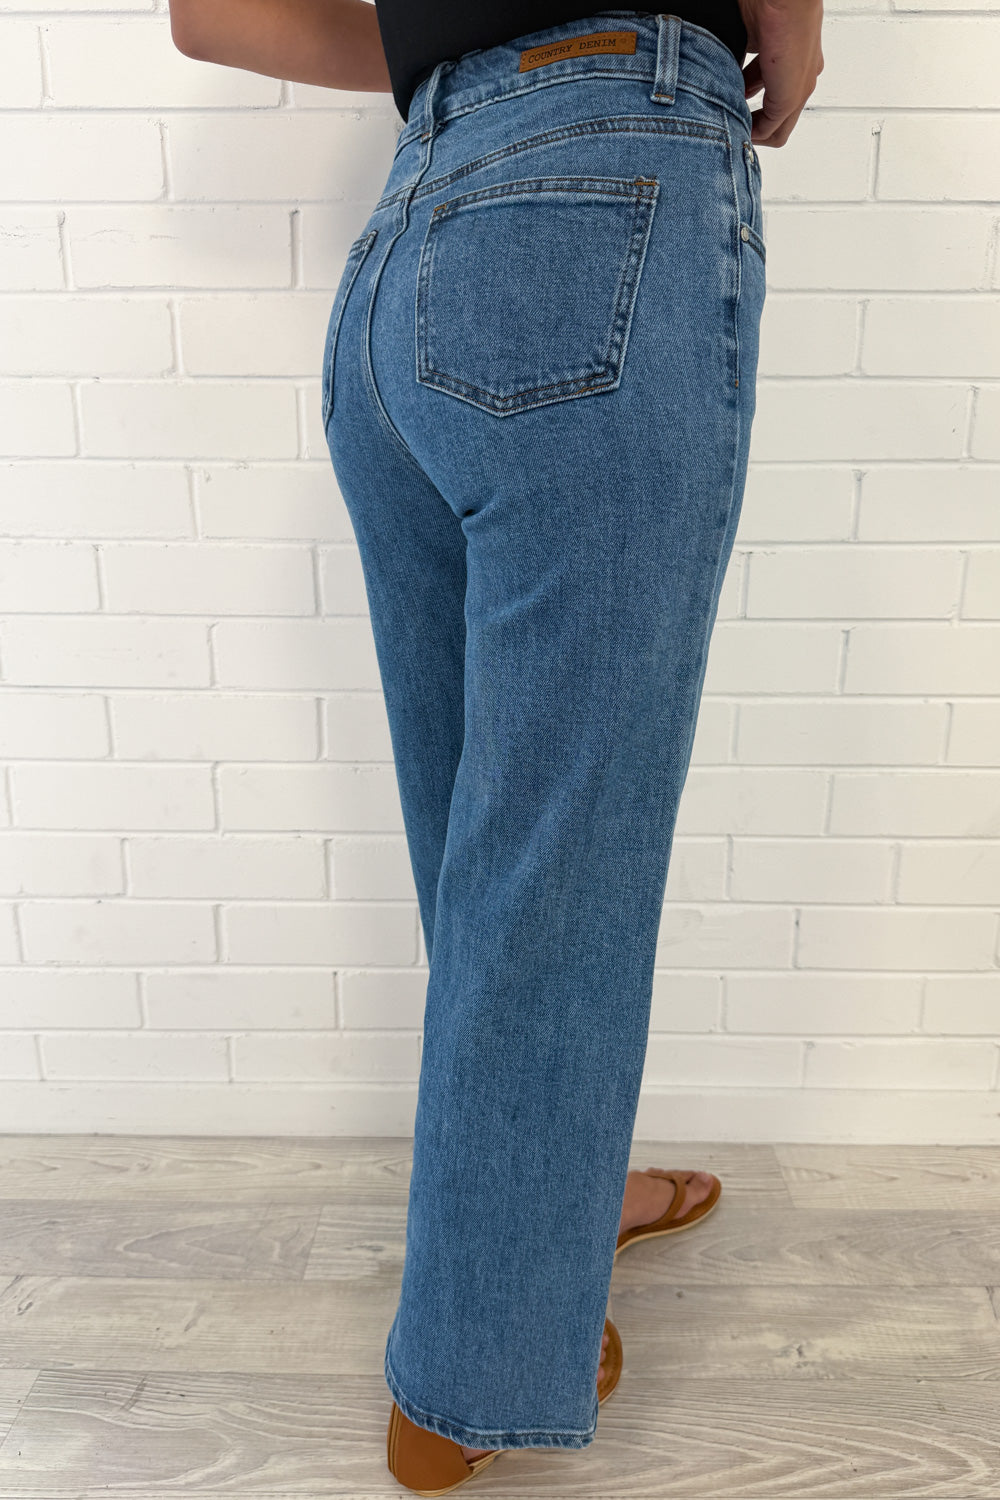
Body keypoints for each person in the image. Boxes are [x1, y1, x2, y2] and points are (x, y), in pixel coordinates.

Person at [170, 3, 822, 1494]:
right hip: (598, 199)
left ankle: (548, 1202)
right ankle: (467, 1377)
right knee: (555, 858)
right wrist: (792, 23)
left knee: (490, 847)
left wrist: (446, 32)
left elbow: (208, 14)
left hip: (405, 252)